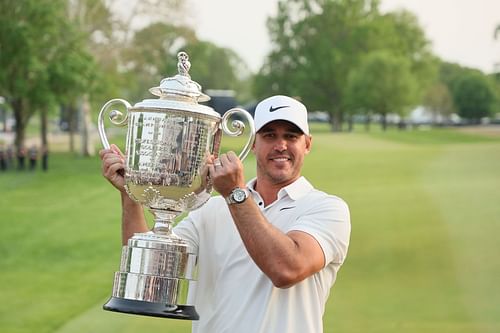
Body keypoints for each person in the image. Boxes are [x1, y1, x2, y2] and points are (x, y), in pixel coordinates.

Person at [100, 95, 351, 333]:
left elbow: (286, 269)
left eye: (291, 136)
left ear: (307, 144)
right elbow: (151, 275)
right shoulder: (210, 210)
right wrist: (131, 195)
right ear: (253, 143)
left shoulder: (327, 208)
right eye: (269, 135)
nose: (280, 145)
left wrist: (234, 193)